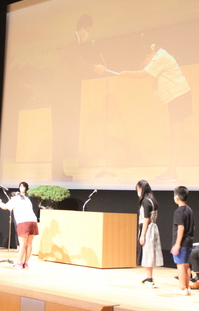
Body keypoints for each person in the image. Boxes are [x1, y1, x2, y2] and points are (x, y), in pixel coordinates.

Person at [120, 44, 192, 181]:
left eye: (143, 63)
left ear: (148, 57)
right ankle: (172, 171)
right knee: (175, 134)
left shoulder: (159, 57)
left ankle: (172, 172)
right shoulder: (159, 58)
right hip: (178, 97)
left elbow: (142, 74)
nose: (144, 66)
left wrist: (127, 73)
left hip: (179, 97)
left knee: (176, 135)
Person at [49, 14, 105, 180]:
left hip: (61, 95)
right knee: (59, 135)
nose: (88, 34)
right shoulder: (72, 42)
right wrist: (95, 68)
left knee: (60, 135)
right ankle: (57, 173)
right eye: (87, 30)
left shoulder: (71, 43)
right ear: (82, 30)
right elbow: (78, 65)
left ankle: (58, 172)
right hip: (61, 95)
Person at [0, 189, 38, 268]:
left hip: (24, 222)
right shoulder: (26, 199)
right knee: (29, 243)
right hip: (33, 221)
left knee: (22, 244)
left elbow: (5, 207)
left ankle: (19, 263)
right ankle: (25, 263)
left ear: (12, 197)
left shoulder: (14, 199)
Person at [135, 180, 163, 287]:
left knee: (147, 253)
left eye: (138, 189)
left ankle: (150, 279)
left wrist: (142, 235)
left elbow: (146, 219)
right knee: (148, 253)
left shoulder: (145, 202)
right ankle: (148, 277)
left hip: (147, 228)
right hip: (153, 227)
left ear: (141, 189)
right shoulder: (152, 200)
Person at [171, 185, 195, 296]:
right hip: (189, 241)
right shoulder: (189, 209)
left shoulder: (178, 212)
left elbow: (181, 227)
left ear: (177, 197)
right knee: (186, 265)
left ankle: (182, 288)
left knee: (180, 264)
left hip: (182, 243)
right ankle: (186, 287)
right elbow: (193, 226)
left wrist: (177, 244)